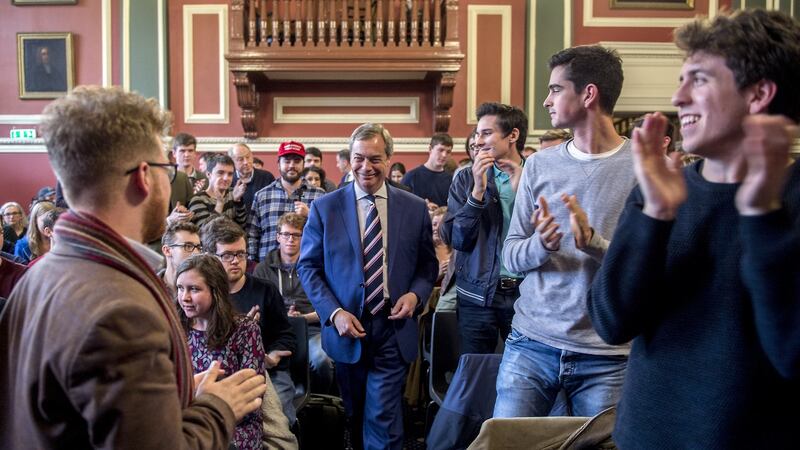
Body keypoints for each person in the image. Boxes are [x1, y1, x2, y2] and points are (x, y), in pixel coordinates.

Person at [0, 86, 266, 448]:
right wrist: (218, 408)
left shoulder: (36, 277)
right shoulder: (123, 312)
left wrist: (178, 390)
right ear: (144, 176)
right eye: (167, 170)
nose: (170, 185)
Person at [588, 9, 800, 448]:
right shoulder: (665, 189)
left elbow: (793, 354)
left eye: (699, 79)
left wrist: (763, 216)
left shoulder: (793, 200)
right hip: (642, 437)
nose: (678, 96)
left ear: (759, 93)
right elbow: (612, 320)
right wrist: (653, 215)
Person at [495, 45, 637, 418]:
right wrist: (541, 246)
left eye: (556, 89)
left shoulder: (643, 169)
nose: (546, 100)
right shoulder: (540, 165)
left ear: (588, 94)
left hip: (608, 355)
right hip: (531, 344)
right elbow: (510, 254)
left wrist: (597, 246)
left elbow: (654, 267)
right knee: (509, 446)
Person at [297, 122, 438, 450]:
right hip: (348, 329)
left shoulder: (414, 207)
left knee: (382, 415)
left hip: (393, 326)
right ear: (348, 160)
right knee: (356, 412)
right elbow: (308, 267)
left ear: (389, 159)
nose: (366, 167)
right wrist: (334, 314)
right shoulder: (325, 207)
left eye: (375, 158)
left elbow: (427, 265)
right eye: (358, 158)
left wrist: (416, 294)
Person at [440, 103, 526, 355]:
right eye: (477, 134)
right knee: (477, 373)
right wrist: (477, 192)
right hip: (477, 295)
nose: (478, 141)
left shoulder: (538, 173)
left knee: (525, 375)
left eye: (486, 133)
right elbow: (459, 240)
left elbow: (549, 235)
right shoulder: (465, 178)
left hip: (527, 293)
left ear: (513, 135)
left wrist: (524, 191)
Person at [202, 217, 298, 425]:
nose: (236, 260)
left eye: (241, 253)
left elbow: (286, 335)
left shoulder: (265, 290)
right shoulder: (205, 295)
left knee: (279, 420)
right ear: (210, 258)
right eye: (227, 255)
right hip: (221, 371)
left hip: (268, 372)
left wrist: (271, 356)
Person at [176, 254, 267, 450]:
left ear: (215, 291)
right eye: (180, 288)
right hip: (188, 419)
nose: (184, 297)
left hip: (236, 422)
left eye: (194, 289)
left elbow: (253, 394)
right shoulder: (175, 328)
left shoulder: (245, 329)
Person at [254, 212, 335, 393]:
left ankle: (318, 402)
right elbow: (257, 307)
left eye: (296, 235)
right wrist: (282, 317)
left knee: (322, 361)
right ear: (278, 237)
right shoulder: (263, 268)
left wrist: (303, 318)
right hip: (275, 332)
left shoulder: (317, 266)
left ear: (304, 237)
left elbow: (329, 305)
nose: (291, 239)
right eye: (286, 234)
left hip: (312, 329)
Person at [248, 141, 325, 262]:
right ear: (278, 164)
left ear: (303, 164)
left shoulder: (320, 196)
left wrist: (311, 214)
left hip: (308, 267)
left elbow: (329, 232)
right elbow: (252, 235)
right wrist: (253, 265)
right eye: (287, 161)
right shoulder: (262, 196)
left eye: (296, 161)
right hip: (267, 268)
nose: (292, 165)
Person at [188, 154, 248, 228]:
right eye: (220, 173)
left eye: (230, 174)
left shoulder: (234, 193)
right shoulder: (198, 199)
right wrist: (220, 203)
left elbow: (242, 225)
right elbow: (205, 232)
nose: (226, 178)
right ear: (208, 174)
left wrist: (237, 201)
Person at [401, 133, 454, 209]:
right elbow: (400, 205)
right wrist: (422, 206)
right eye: (441, 150)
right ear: (430, 149)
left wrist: (444, 210)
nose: (444, 155)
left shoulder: (451, 180)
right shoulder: (411, 177)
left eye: (448, 152)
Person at [229, 142, 276, 216]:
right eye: (240, 159)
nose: (246, 162)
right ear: (232, 162)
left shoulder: (267, 177)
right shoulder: (229, 180)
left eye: (248, 157)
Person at [160, 221, 203, 295]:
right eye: (188, 246)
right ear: (167, 250)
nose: (196, 253)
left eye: (198, 248)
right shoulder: (150, 286)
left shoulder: (204, 288)